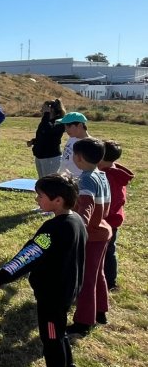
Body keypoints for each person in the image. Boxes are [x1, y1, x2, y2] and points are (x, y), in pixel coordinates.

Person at [0, 175, 86, 367]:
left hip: (52, 296)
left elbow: (30, 255)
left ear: (57, 200)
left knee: (51, 338)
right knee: (60, 331)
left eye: (40, 196)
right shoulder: (77, 220)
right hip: (67, 291)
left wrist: (0, 277)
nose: (36, 199)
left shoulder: (53, 229)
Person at [67, 138, 112, 336]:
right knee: (97, 274)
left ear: (79, 158)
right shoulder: (101, 175)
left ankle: (84, 322)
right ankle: (101, 311)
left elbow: (86, 206)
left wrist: (79, 229)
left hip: (91, 236)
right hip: (102, 231)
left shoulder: (86, 179)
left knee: (86, 280)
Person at [98, 141, 134, 292]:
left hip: (107, 221)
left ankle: (110, 282)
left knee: (107, 251)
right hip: (109, 220)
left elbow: (112, 202)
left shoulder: (109, 177)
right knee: (107, 250)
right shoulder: (112, 171)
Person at [27, 99, 66, 177]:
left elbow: (49, 131)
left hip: (51, 158)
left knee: (49, 184)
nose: (41, 110)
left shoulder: (59, 122)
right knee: (42, 182)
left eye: (43, 108)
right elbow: (44, 135)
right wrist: (34, 141)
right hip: (40, 156)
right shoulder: (46, 121)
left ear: (50, 109)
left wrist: (46, 114)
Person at [57, 112, 90, 179]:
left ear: (80, 125)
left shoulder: (89, 144)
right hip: (64, 178)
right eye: (65, 126)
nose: (66, 130)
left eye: (68, 126)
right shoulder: (72, 138)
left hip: (77, 181)